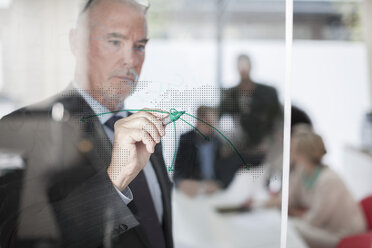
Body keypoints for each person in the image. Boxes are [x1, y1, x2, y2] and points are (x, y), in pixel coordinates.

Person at [0, 0, 173, 247]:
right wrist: (114, 182)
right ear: (76, 42)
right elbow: (13, 240)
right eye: (115, 42)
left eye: (139, 46)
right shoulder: (23, 128)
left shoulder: (145, 130)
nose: (130, 60)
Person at [266, 125, 367, 248]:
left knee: (287, 227)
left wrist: (294, 213)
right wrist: (263, 204)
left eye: (291, 149)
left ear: (301, 154)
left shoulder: (329, 180)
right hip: (322, 227)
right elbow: (289, 197)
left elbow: (315, 219)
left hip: (344, 235)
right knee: (280, 224)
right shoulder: (302, 170)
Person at [219, 54, 282, 167]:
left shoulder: (268, 92)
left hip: (265, 147)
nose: (243, 70)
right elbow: (218, 118)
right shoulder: (230, 94)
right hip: (239, 148)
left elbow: (278, 119)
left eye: (245, 66)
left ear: (251, 67)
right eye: (240, 66)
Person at [173, 106, 223, 197]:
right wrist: (183, 183)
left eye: (213, 123)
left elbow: (224, 170)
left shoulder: (219, 141)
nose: (211, 127)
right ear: (198, 121)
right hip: (193, 192)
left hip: (214, 192)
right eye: (207, 122)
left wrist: (218, 184)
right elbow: (178, 173)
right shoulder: (186, 140)